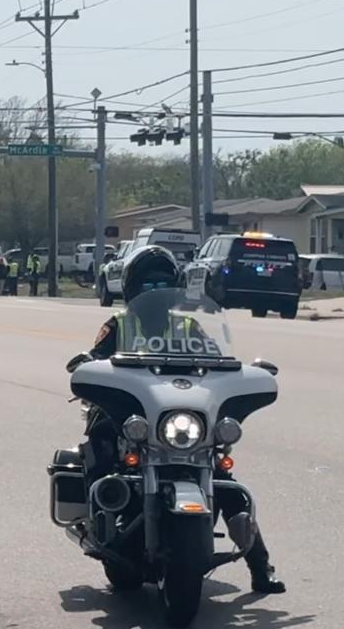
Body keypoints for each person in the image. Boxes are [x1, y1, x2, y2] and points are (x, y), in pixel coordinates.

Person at [84, 245, 287, 595]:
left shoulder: (189, 325)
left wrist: (242, 372)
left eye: (163, 284)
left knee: (222, 475)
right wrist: (88, 365)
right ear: (134, 290)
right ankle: (99, 520)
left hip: (177, 415)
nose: (156, 293)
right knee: (100, 446)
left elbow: (218, 360)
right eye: (149, 287)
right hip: (130, 415)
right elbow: (96, 358)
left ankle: (259, 567)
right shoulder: (118, 324)